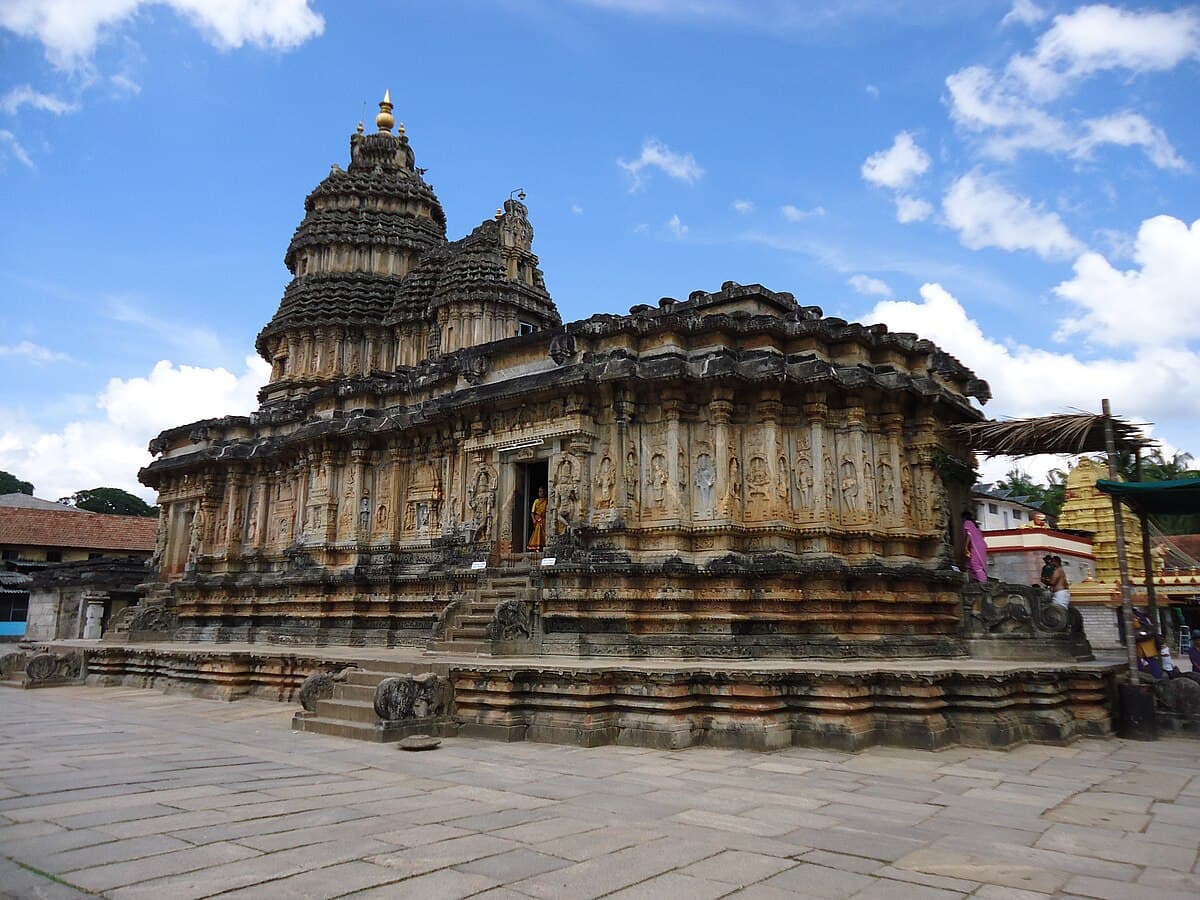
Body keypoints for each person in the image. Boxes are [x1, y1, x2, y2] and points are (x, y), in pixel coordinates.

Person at [962, 510, 989, 583]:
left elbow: (969, 535)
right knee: (972, 564)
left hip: (976, 546)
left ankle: (983, 582)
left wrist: (965, 547)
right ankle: (977, 580)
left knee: (975, 564)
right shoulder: (976, 525)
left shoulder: (967, 523)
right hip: (981, 546)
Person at [527, 486, 547, 553]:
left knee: (544, 533)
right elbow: (532, 512)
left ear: (545, 492)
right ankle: (536, 546)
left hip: (544, 519)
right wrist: (533, 519)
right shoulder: (536, 501)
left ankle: (543, 546)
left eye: (542, 491)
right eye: (539, 491)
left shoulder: (546, 501)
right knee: (537, 531)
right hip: (537, 518)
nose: (541, 493)